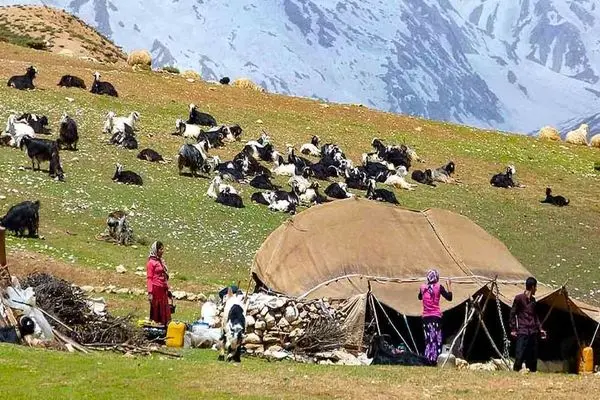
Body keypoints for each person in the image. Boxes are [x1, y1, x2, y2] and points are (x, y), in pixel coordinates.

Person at [509, 276, 546, 372]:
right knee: (519, 355)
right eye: (536, 287)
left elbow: (535, 316)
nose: (536, 289)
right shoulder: (519, 299)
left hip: (532, 331)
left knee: (532, 356)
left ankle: (532, 373)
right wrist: (513, 329)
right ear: (532, 287)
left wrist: (540, 329)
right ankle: (516, 372)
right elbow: (513, 314)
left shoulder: (533, 301)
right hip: (523, 331)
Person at [418, 269, 452, 364]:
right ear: (437, 278)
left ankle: (428, 358)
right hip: (436, 317)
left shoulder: (422, 287)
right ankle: (435, 359)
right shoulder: (438, 287)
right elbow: (449, 297)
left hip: (426, 318)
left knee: (429, 339)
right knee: (437, 339)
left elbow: (419, 297)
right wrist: (449, 285)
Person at [146, 241, 171, 325]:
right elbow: (149, 278)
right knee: (157, 309)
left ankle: (164, 326)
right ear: (156, 250)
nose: (162, 251)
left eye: (162, 249)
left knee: (164, 309)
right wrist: (150, 292)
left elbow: (164, 276)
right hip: (156, 288)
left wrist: (168, 288)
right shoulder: (151, 263)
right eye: (160, 249)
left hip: (163, 288)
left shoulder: (160, 261)